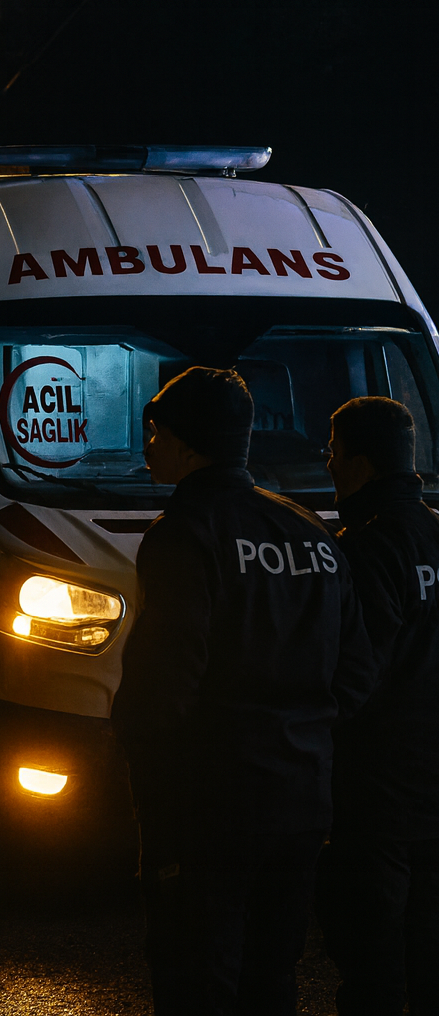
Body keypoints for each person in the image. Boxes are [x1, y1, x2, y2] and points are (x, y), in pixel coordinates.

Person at [110, 367, 377, 1016]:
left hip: (210, 806)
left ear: (185, 444)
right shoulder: (310, 532)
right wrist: (298, 731)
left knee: (196, 974)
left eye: (156, 433)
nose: (148, 446)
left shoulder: (181, 535)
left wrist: (140, 767)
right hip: (301, 796)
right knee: (271, 975)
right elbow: (359, 673)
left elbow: (164, 684)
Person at [318, 396, 439, 1015]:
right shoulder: (434, 529)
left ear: (359, 465)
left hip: (381, 781)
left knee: (372, 946)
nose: (328, 464)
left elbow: (356, 672)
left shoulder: (365, 547)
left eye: (333, 452)